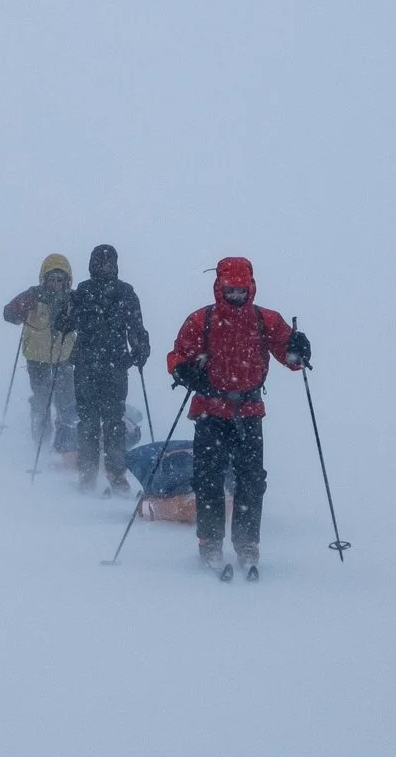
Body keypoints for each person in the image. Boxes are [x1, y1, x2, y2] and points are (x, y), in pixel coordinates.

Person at [166, 256, 312, 578]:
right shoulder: (201, 320)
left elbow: (290, 357)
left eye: (240, 290)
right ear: (219, 287)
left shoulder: (265, 320)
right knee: (208, 479)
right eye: (230, 290)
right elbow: (177, 355)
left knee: (251, 480)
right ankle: (210, 543)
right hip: (209, 411)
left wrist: (299, 349)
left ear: (251, 288)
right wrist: (185, 371)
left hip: (248, 412)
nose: (235, 296)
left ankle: (247, 544)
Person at [54, 244, 151, 497]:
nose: (104, 267)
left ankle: (115, 474)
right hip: (88, 365)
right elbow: (64, 325)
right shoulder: (83, 292)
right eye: (100, 263)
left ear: (115, 265)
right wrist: (66, 305)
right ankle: (87, 474)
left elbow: (136, 326)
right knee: (88, 422)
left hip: (114, 366)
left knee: (113, 422)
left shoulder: (125, 292)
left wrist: (140, 349)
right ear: (92, 265)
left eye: (108, 263)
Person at [2, 255, 78, 457]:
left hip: (64, 357)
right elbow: (8, 313)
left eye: (59, 279)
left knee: (66, 399)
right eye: (51, 279)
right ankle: (41, 432)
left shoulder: (74, 299)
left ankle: (65, 440)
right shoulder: (33, 295)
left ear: (67, 280)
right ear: (44, 279)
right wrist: (19, 309)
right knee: (42, 396)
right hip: (37, 356)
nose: (55, 284)